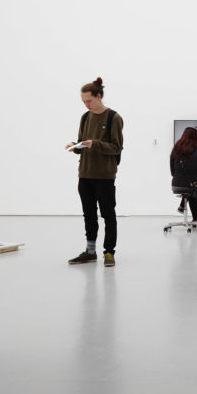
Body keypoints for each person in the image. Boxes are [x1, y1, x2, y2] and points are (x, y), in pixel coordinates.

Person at [65, 77, 124, 267]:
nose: (86, 104)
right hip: (85, 174)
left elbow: (116, 147)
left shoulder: (113, 117)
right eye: (83, 101)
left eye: (89, 100)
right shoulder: (85, 117)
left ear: (99, 96)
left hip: (104, 176)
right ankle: (90, 252)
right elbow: (83, 142)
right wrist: (75, 146)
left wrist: (95, 144)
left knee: (108, 215)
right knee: (88, 214)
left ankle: (109, 252)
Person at [170, 127, 197, 226]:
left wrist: (178, 178)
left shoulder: (176, 148)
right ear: (196, 137)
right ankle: (195, 219)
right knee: (193, 187)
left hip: (176, 185)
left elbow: (172, 170)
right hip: (193, 185)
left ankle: (183, 206)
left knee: (190, 188)